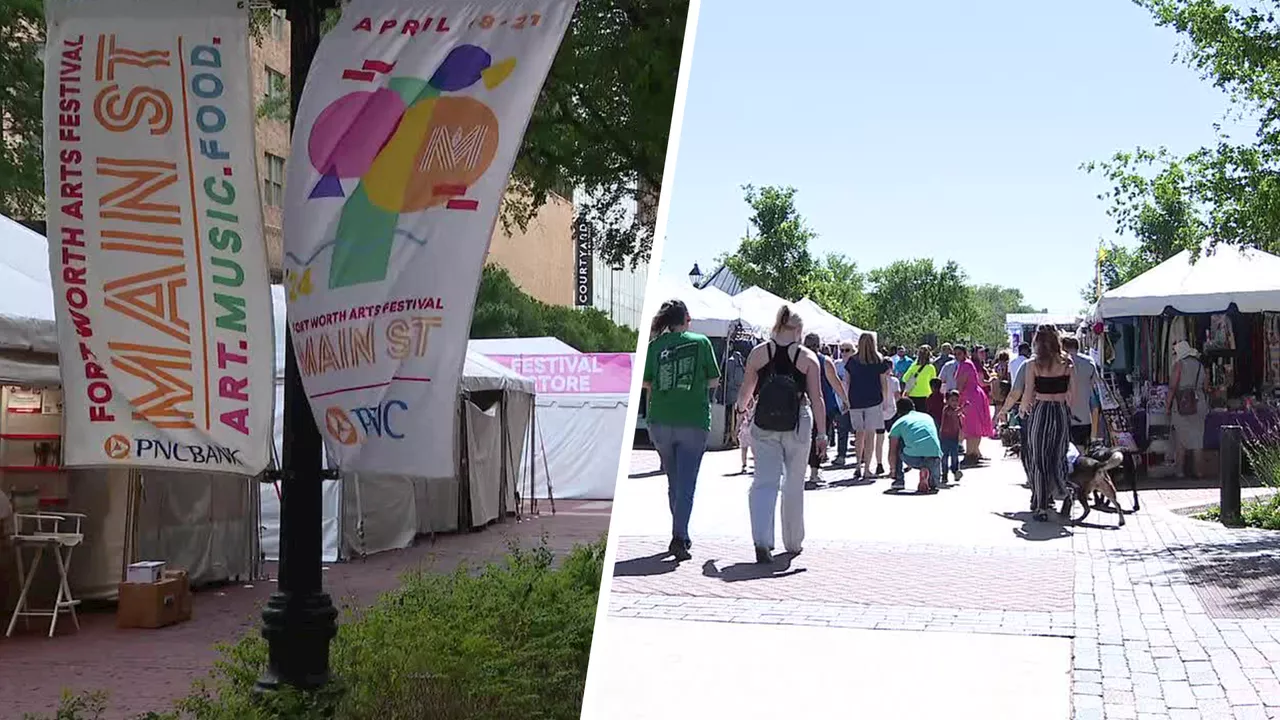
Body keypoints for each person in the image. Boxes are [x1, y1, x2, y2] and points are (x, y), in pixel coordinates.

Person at [737, 305, 827, 564]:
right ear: (798, 329)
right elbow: (817, 398)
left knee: (764, 482)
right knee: (793, 484)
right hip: (798, 421)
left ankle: (762, 540)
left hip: (764, 423)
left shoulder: (758, 354)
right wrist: (822, 434)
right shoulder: (807, 358)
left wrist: (741, 412)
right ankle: (793, 541)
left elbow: (746, 392)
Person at [643, 299, 721, 561]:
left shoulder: (655, 346)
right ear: (687, 317)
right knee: (687, 484)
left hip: (661, 421)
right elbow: (714, 379)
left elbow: (647, 382)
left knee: (673, 481)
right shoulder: (701, 342)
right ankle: (679, 537)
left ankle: (681, 533)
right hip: (693, 419)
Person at [1020, 324, 1075, 521]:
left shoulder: (1032, 364)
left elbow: (1027, 393)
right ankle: (1066, 492)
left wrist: (1023, 409)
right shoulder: (1067, 362)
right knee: (1058, 457)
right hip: (1060, 410)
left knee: (1039, 459)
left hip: (1041, 410)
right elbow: (1071, 394)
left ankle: (1041, 505)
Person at [842, 333, 891, 479]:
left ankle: (858, 464)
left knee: (859, 433)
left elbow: (847, 382)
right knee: (870, 434)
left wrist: (846, 400)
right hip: (874, 400)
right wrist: (885, 400)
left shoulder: (852, 361)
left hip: (855, 401)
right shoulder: (878, 360)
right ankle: (867, 468)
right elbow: (884, 383)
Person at [804, 333, 846, 482]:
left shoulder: (798, 359)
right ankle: (815, 472)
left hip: (803, 404)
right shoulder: (825, 361)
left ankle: (802, 470)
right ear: (820, 345)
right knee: (819, 436)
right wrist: (845, 400)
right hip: (823, 406)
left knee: (803, 438)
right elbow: (835, 383)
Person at [1170, 339, 1210, 478]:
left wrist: (1167, 406)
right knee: (1198, 439)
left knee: (1181, 438)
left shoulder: (1179, 365)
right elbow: (1206, 387)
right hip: (1199, 402)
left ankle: (1179, 471)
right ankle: (1199, 471)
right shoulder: (1200, 365)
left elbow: (1172, 387)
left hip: (1182, 403)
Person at [888, 397, 943, 493]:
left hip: (914, 457)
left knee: (898, 442)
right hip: (935, 456)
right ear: (913, 407)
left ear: (899, 412)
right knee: (933, 485)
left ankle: (899, 480)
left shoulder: (899, 422)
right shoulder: (927, 417)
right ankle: (930, 476)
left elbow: (892, 451)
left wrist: (893, 470)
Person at [953, 345, 995, 466]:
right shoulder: (968, 363)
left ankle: (971, 454)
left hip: (970, 398)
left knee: (970, 427)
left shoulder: (965, 365)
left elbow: (960, 384)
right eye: (955, 354)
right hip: (974, 396)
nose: (957, 356)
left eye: (959, 354)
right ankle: (973, 453)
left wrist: (955, 398)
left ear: (965, 353)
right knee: (973, 426)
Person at [1061, 336, 1098, 451]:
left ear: (1063, 347)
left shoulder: (1059, 363)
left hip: (1063, 418)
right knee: (1082, 456)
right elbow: (1094, 391)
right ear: (1078, 347)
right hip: (1084, 418)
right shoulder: (1090, 363)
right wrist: (1094, 435)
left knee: (1064, 455)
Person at [873, 367, 901, 478]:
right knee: (894, 440)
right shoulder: (894, 381)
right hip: (892, 411)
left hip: (879, 411)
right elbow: (897, 396)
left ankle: (879, 464)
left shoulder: (875, 380)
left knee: (879, 440)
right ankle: (894, 466)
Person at [834, 341, 855, 464]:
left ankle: (861, 455)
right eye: (841, 350)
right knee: (842, 430)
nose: (843, 353)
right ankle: (841, 455)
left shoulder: (858, 364)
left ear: (853, 351)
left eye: (847, 350)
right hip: (840, 401)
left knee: (858, 430)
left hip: (856, 402)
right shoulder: (837, 365)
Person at [901, 345, 938, 413]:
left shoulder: (913, 366)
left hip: (913, 394)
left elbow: (904, 378)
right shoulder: (931, 368)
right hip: (926, 395)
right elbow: (933, 381)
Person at [939, 389, 965, 485]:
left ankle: (955, 470)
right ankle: (944, 473)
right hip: (945, 437)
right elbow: (953, 414)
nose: (955, 403)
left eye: (956, 400)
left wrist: (962, 431)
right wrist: (963, 408)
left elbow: (959, 423)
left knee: (955, 455)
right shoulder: (946, 410)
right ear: (947, 401)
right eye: (952, 400)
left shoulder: (957, 411)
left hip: (954, 437)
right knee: (945, 456)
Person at [724, 350, 747, 447]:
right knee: (738, 416)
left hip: (730, 391)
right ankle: (735, 436)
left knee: (730, 415)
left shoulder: (729, 361)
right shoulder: (740, 361)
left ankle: (730, 436)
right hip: (739, 392)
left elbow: (726, 376)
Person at [738, 396, 756, 474]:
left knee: (754, 450)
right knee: (744, 449)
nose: (748, 403)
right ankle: (744, 465)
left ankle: (756, 466)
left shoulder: (756, 409)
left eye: (750, 401)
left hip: (753, 432)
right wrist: (735, 431)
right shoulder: (742, 410)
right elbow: (739, 421)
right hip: (744, 432)